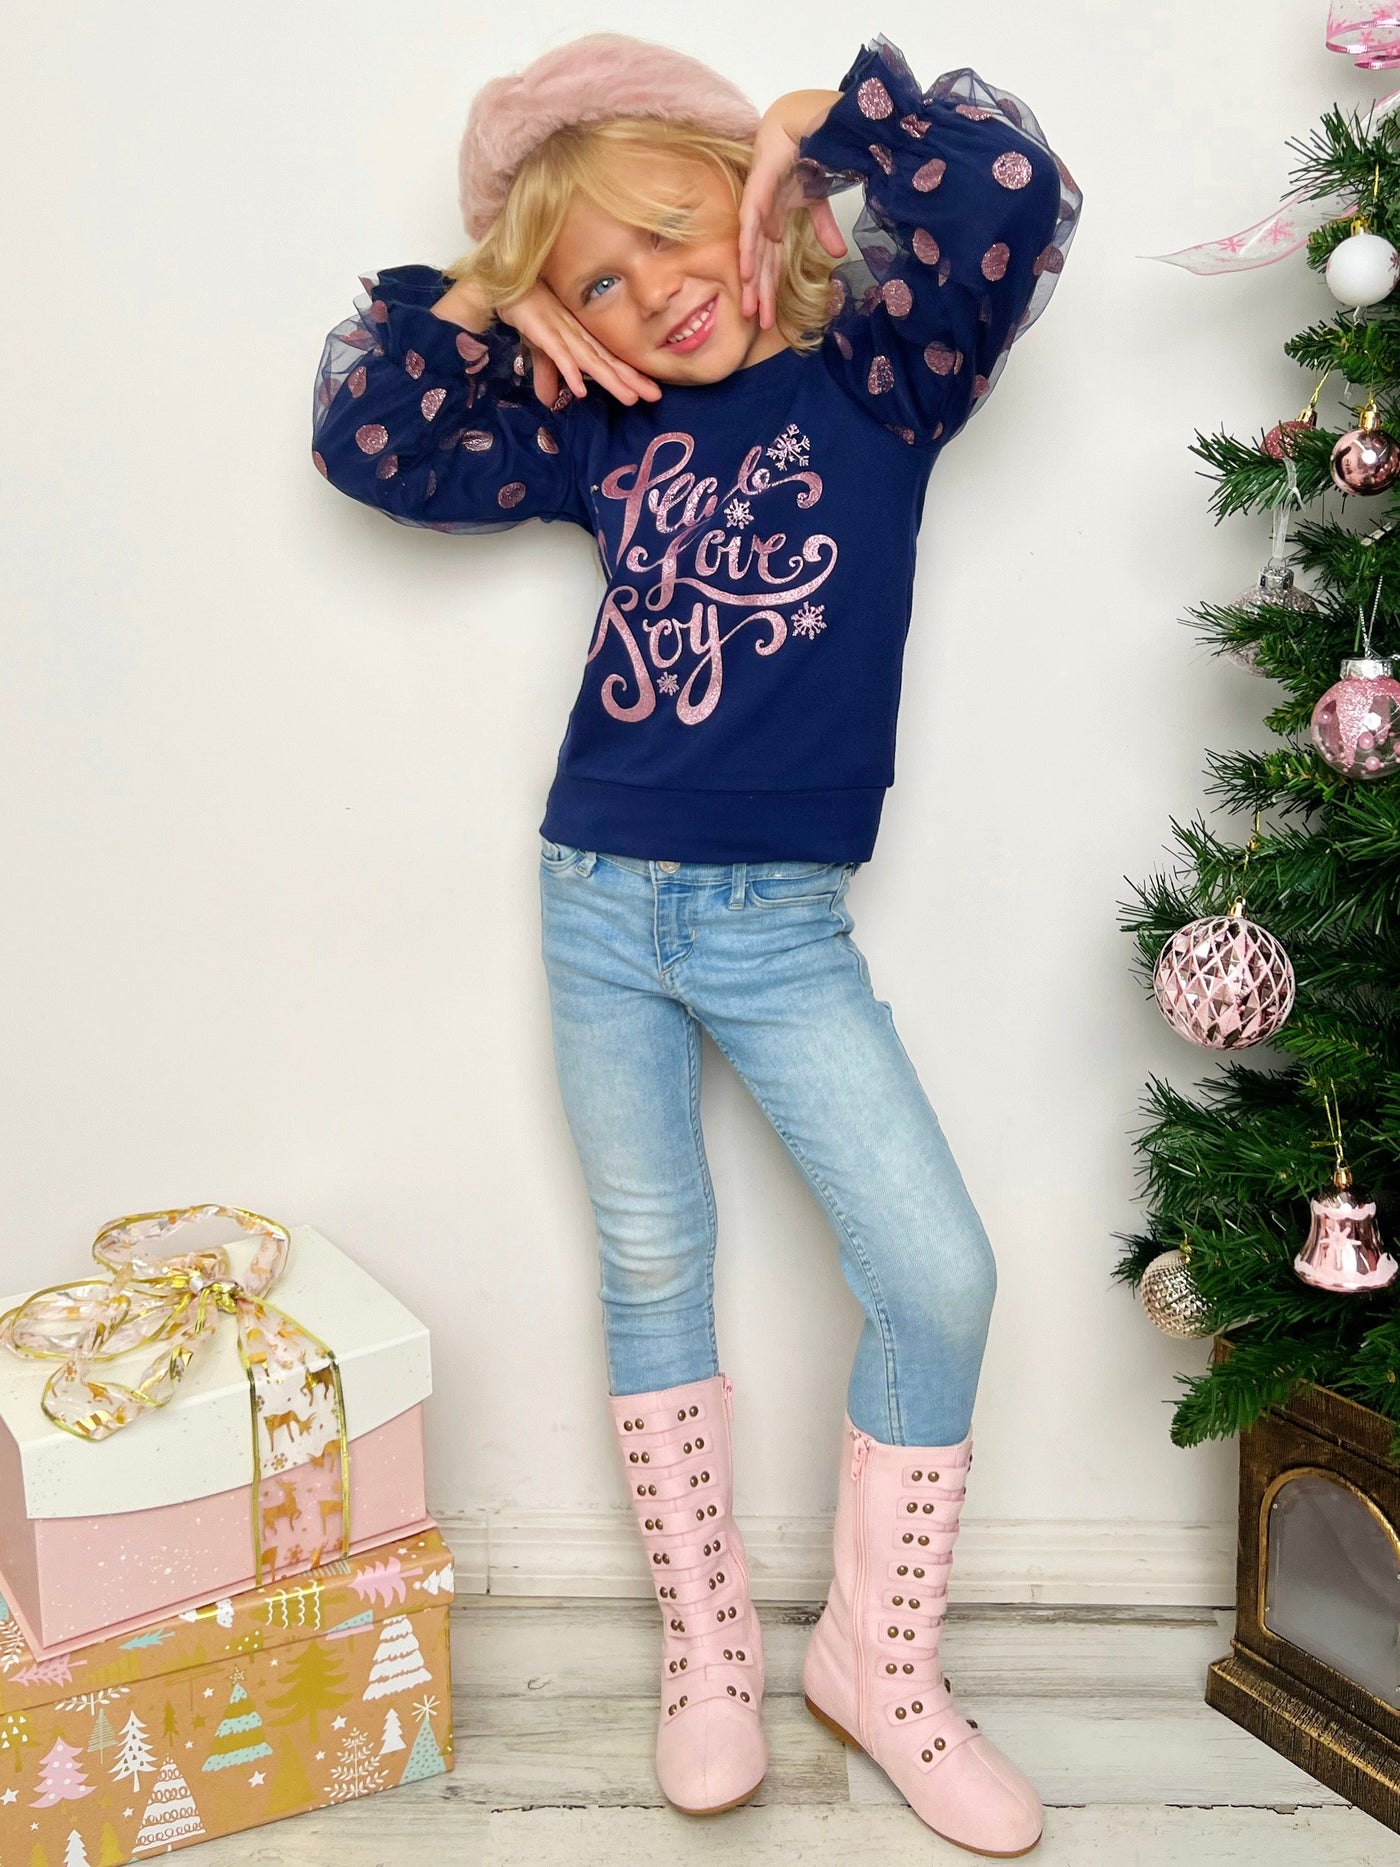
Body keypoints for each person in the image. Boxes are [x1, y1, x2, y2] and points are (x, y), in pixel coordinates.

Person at [310, 28, 1080, 1857]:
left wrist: (831, 122)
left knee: (938, 1278)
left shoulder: (884, 376)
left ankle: (879, 1666)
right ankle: (710, 1648)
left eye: (674, 231)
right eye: (599, 281)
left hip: (776, 926)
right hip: (595, 900)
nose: (654, 291)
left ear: (757, 210)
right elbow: (371, 445)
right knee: (655, 1264)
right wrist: (494, 308)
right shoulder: (601, 429)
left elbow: (1010, 193)